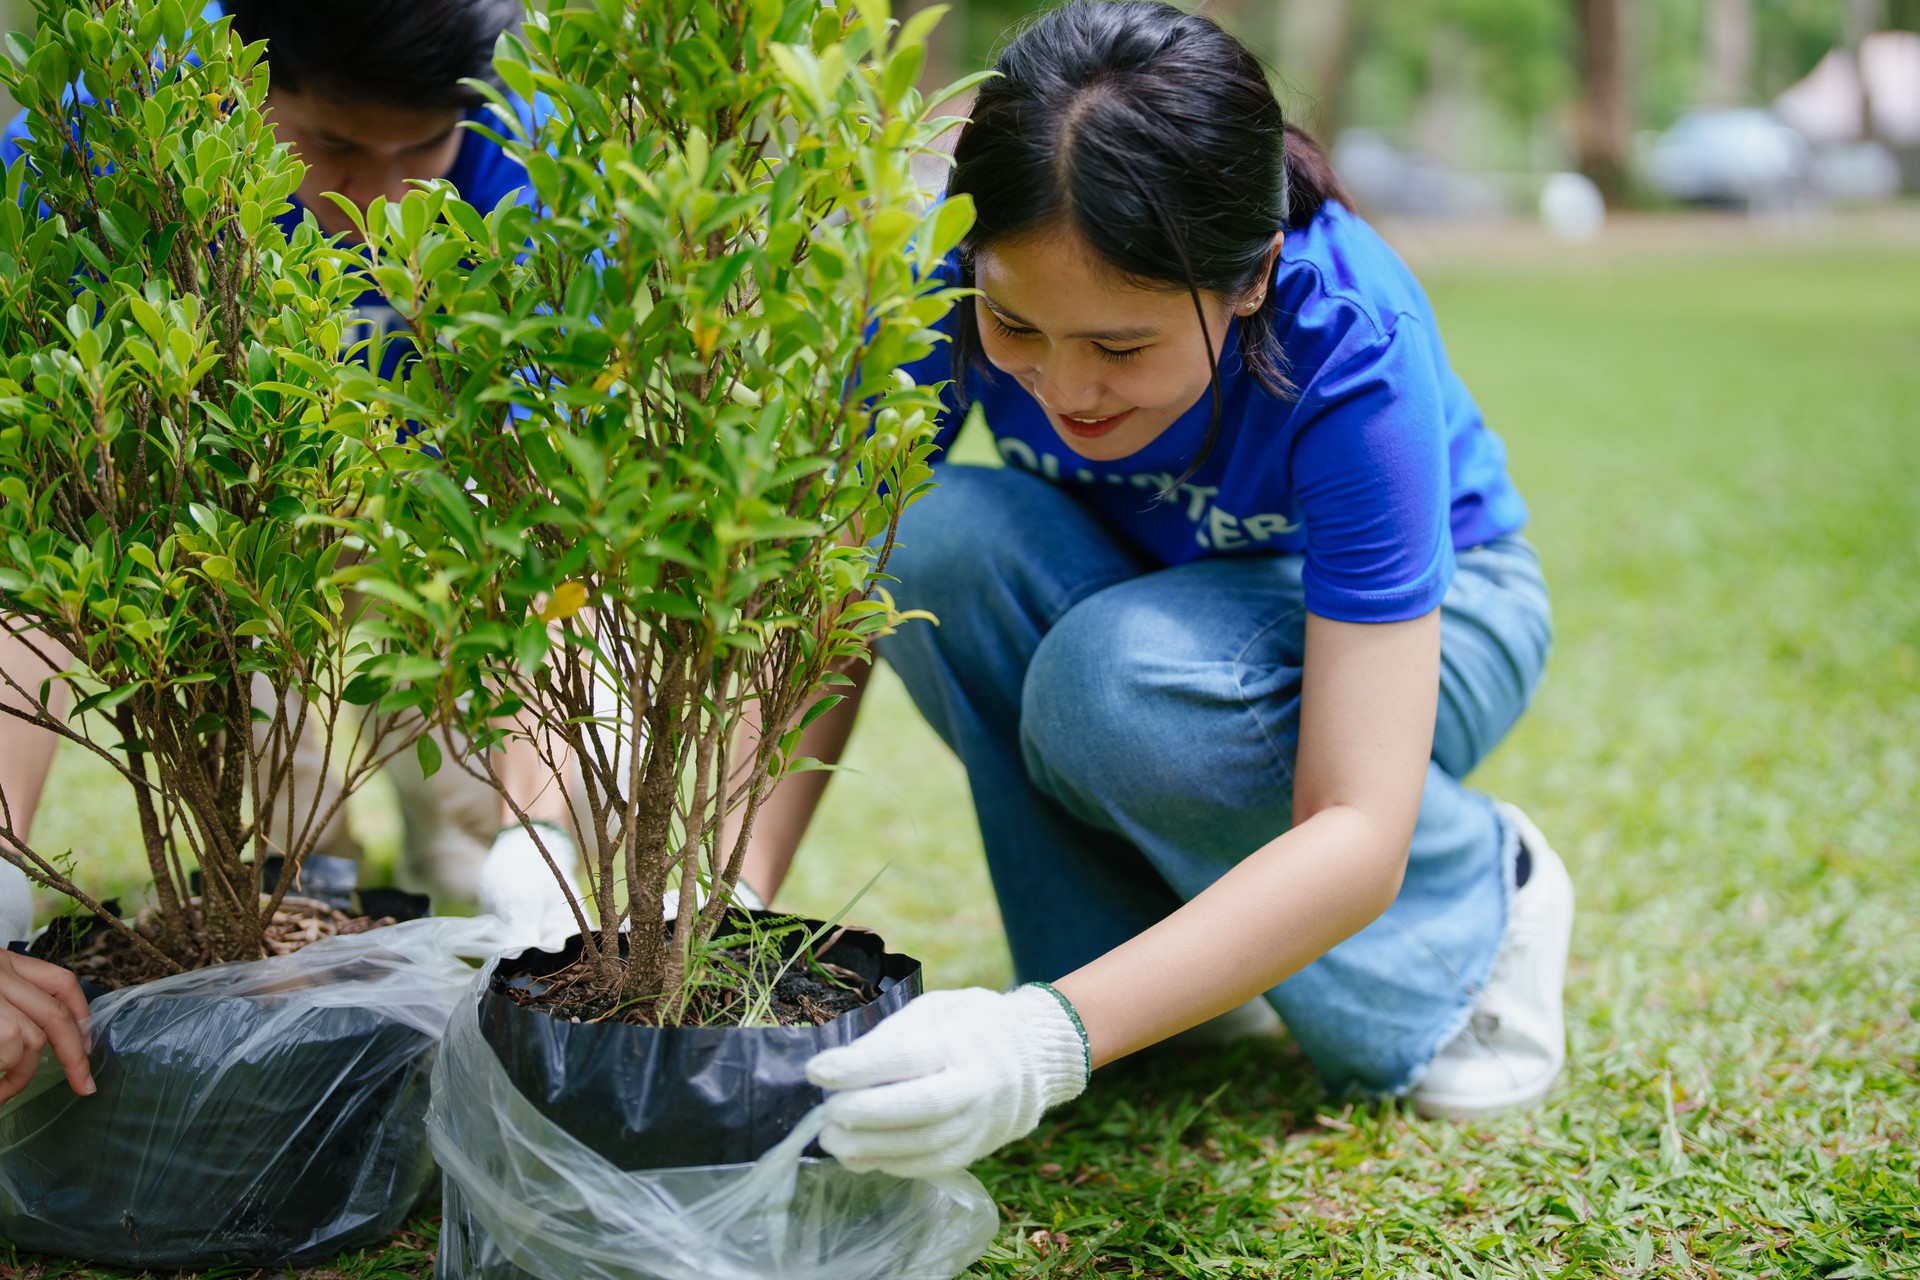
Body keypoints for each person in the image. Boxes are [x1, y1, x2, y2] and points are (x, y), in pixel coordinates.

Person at [747, 0, 1574, 1178]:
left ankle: (1480, 901)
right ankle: (1151, 957)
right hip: (1154, 607)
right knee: (923, 536)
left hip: (1445, 615)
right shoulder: (951, 271)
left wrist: (1044, 1039)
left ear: (1249, 279)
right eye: (1015, 324)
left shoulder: (1346, 332)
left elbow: (1354, 820)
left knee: (1120, 678)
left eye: (1122, 347)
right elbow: (833, 582)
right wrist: (725, 889)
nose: (1061, 388)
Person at [0, 0, 574, 1098]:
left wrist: (534, 822)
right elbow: (32, 533)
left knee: (474, 844)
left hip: (441, 531)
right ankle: (307, 869)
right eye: (334, 148)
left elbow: (547, 512)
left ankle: (452, 840)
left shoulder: (526, 148)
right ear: (236, 83)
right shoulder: (98, 143)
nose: (382, 199)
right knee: (269, 835)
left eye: (421, 153)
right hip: (220, 535)